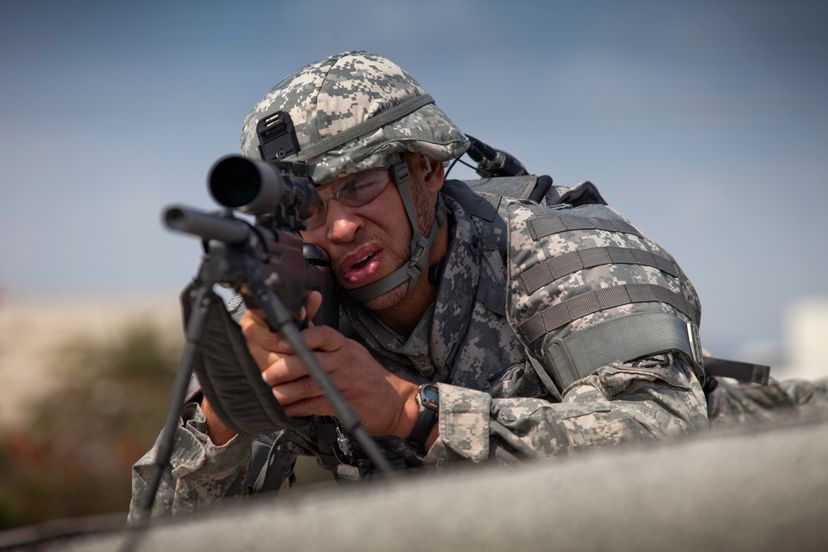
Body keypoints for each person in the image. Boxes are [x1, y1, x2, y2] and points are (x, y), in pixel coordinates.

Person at [129, 51, 819, 521]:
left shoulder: (561, 252)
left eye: (360, 187)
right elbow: (160, 531)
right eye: (307, 207)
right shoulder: (306, 301)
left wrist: (413, 412)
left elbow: (665, 446)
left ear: (427, 171)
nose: (336, 229)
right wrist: (228, 417)